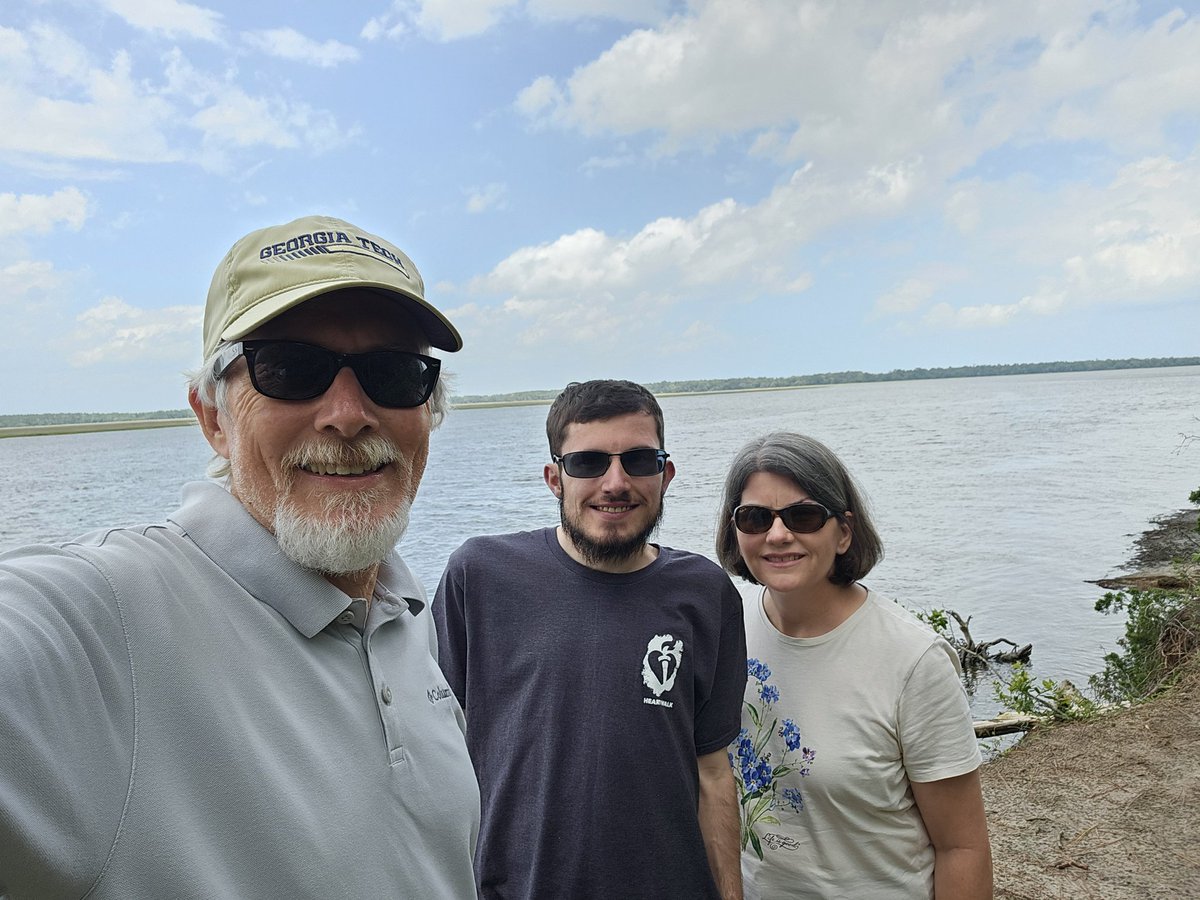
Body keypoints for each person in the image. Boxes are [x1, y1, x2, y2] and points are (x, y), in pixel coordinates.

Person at [0, 215, 480, 899]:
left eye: (393, 373)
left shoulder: (402, 611)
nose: (348, 413)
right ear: (212, 417)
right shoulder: (108, 623)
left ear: (428, 410)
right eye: (290, 369)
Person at [434, 379, 747, 899]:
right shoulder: (481, 576)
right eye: (589, 463)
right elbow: (437, 755)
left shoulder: (705, 592)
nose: (616, 482)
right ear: (555, 479)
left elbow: (714, 773)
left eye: (640, 461)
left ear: (665, 475)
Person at [715, 432, 993, 899]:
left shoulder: (912, 659)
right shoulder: (723, 634)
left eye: (803, 515)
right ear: (735, 530)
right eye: (755, 517)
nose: (778, 534)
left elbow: (961, 847)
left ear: (844, 532)